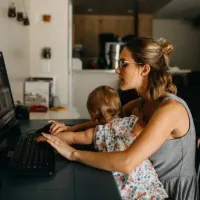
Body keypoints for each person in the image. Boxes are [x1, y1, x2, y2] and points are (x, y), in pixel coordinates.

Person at [41, 37, 199, 199]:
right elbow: (110, 121)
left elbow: (127, 163)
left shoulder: (170, 110)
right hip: (143, 187)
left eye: (123, 64)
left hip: (168, 192)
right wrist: (71, 128)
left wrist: (73, 154)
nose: (117, 70)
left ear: (144, 70)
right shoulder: (142, 103)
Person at [37, 85, 168, 200]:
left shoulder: (97, 132)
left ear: (93, 115)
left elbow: (72, 138)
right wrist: (140, 121)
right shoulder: (133, 122)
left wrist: (46, 138)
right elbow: (140, 133)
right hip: (148, 187)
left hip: (125, 190)